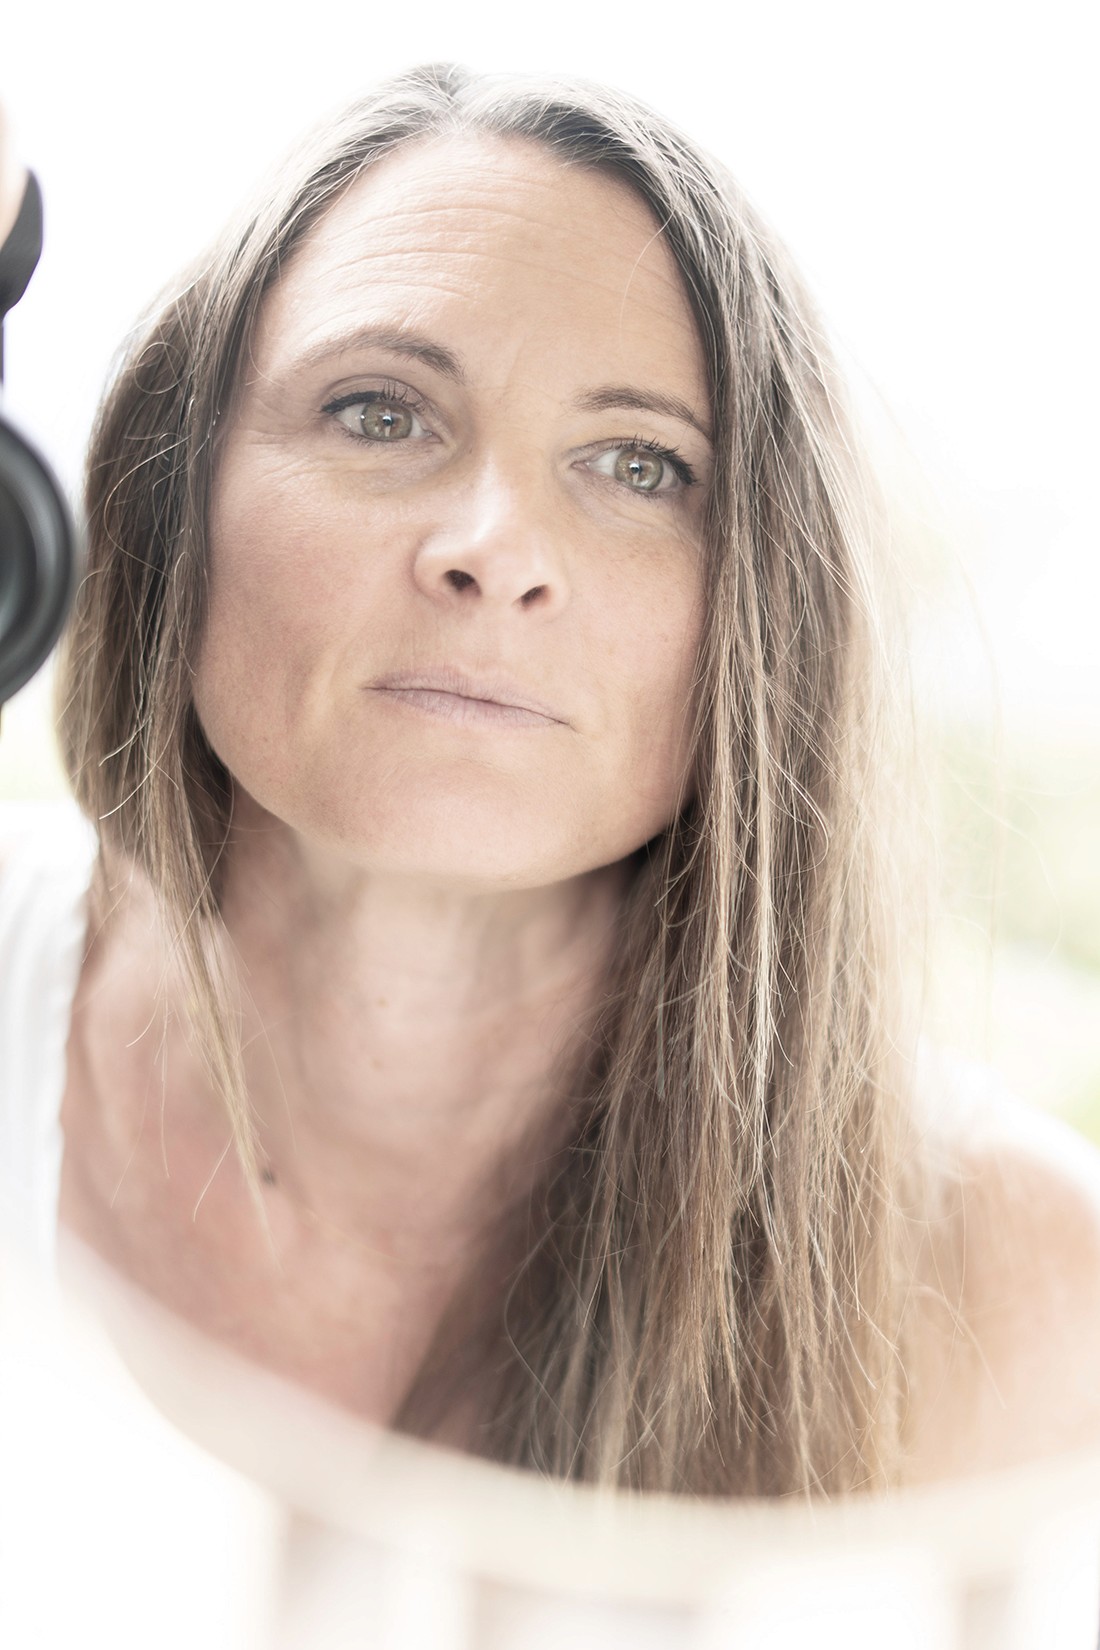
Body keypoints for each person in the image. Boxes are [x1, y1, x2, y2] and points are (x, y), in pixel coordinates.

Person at [4, 62, 1100, 1504]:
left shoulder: (1020, 1283)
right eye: (379, 413)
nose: (493, 545)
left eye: (641, 465)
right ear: (169, 496)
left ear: (771, 613)